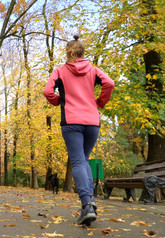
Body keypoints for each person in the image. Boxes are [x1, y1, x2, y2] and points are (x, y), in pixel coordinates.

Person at [43, 34, 115, 226]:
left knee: (77, 161)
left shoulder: (59, 71)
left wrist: (59, 101)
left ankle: (87, 205)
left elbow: (48, 92)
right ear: (83, 52)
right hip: (92, 122)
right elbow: (109, 83)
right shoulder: (93, 70)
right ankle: (90, 200)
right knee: (84, 159)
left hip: (72, 121)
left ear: (68, 52)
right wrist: (100, 102)